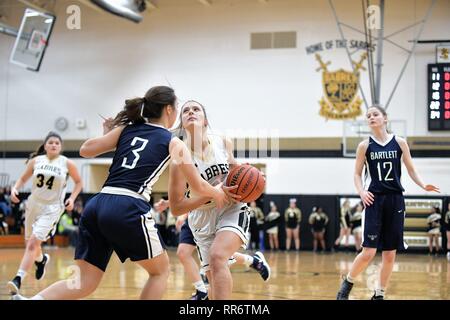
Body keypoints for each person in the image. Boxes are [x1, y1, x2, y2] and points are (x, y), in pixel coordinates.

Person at [12, 86, 229, 300]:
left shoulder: (127, 129)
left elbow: (85, 150)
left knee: (83, 282)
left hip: (96, 205)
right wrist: (218, 193)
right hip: (129, 205)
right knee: (160, 272)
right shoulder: (175, 143)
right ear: (169, 110)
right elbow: (199, 186)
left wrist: (109, 133)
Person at [168, 100, 270, 300]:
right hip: (202, 217)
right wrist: (213, 193)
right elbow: (176, 208)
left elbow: (234, 168)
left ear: (205, 120)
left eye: (196, 109)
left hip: (232, 208)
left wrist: (252, 177)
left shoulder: (222, 142)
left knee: (218, 256)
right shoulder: (178, 158)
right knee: (213, 276)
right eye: (185, 110)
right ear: (181, 123)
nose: (190, 112)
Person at [336, 105, 439, 300]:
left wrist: (424, 185)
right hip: (374, 199)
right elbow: (357, 174)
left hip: (395, 200)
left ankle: (379, 294)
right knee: (368, 252)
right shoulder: (364, 146)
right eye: (368, 116)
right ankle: (347, 282)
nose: (371, 118)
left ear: (385, 118)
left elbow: (411, 169)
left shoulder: (400, 143)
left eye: (375, 114)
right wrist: (361, 192)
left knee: (390, 254)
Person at [7, 132, 83, 295]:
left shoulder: (67, 163)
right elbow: (22, 179)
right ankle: (41, 261)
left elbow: (79, 182)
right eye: (51, 142)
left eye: (57, 143)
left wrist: (72, 198)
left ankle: (17, 279)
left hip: (52, 208)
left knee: (33, 243)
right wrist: (15, 189)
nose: (54, 145)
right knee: (31, 244)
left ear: (61, 146)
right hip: (33, 204)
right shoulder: (36, 161)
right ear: (45, 145)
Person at [173, 209, 271, 300]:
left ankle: (252, 261)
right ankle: (202, 291)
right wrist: (181, 212)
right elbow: (187, 193)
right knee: (183, 253)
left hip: (216, 213)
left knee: (217, 257)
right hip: (194, 215)